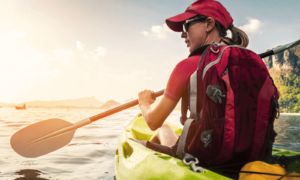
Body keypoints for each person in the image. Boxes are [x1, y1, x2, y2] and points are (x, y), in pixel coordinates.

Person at [138, 0, 248, 148]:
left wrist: (144, 103)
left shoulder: (187, 66)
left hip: (202, 155)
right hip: (242, 152)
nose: (183, 34)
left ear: (209, 24)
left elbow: (153, 122)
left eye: (186, 25)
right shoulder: (245, 64)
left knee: (163, 128)